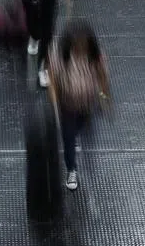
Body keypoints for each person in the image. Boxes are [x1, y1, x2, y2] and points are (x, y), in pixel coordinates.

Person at [47, 20, 111, 192]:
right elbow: (53, 78)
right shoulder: (60, 56)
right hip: (67, 104)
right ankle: (71, 170)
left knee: (79, 128)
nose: (81, 46)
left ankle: (74, 135)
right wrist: (53, 102)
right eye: (78, 43)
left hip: (86, 104)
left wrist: (104, 97)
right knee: (68, 138)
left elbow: (102, 76)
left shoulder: (95, 56)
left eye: (84, 43)